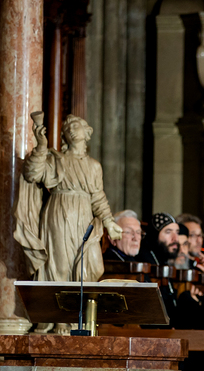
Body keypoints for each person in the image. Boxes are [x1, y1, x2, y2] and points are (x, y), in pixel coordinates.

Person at [15, 114, 123, 284]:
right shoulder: (56, 160)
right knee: (60, 268)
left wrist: (109, 222)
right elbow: (32, 174)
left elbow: (98, 197)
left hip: (84, 217)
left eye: (75, 126)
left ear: (87, 131)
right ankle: (57, 300)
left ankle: (81, 301)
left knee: (94, 268)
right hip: (59, 215)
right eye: (66, 128)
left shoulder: (94, 166)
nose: (70, 130)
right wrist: (41, 146)